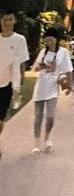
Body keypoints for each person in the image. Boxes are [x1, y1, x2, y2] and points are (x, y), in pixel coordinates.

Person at [30, 27, 72, 154]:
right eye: (47, 40)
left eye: (51, 40)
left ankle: (47, 139)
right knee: (38, 116)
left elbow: (68, 69)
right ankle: (36, 144)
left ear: (56, 40)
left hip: (53, 88)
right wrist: (44, 65)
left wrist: (69, 85)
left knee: (50, 116)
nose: (49, 43)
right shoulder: (43, 52)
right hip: (41, 87)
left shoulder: (63, 52)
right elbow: (34, 69)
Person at [0, 9, 29, 160]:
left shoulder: (20, 40)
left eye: (10, 19)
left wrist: (21, 79)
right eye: (4, 19)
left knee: (1, 118)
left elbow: (22, 61)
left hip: (8, 84)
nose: (7, 23)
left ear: (14, 21)